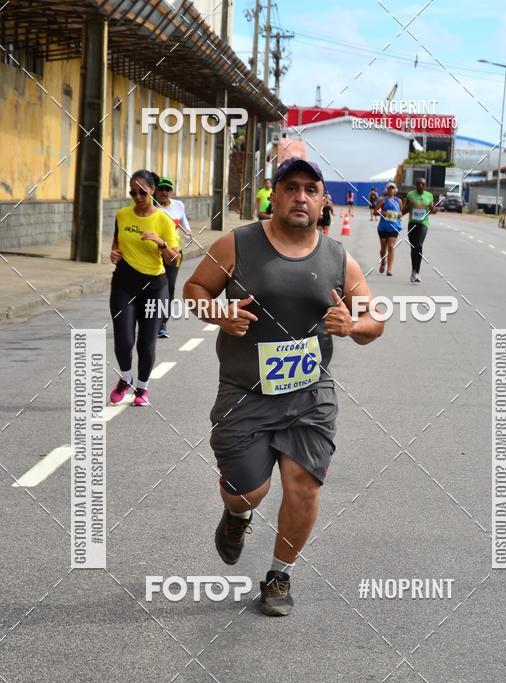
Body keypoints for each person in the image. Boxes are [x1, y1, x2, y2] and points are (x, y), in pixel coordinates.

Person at [183, 157, 383, 616]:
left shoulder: (339, 259)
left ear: (322, 200)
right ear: (273, 194)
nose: (300, 197)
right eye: (290, 188)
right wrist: (219, 313)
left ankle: (278, 576)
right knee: (247, 491)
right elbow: (195, 289)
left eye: (310, 189)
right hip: (244, 392)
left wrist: (352, 325)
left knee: (303, 486)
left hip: (309, 395)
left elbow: (374, 320)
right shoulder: (238, 244)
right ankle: (237, 516)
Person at [108, 170, 179, 407]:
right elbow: (117, 242)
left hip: (155, 287)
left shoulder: (163, 221)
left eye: (142, 191)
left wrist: (161, 242)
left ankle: (142, 389)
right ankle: (125, 379)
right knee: (124, 340)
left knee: (146, 341)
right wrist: (114, 253)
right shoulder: (122, 215)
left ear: (152, 190)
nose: (137, 196)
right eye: (132, 192)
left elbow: (174, 260)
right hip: (124, 284)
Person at [155, 176, 192, 338]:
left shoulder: (178, 206)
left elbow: (185, 226)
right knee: (151, 288)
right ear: (155, 191)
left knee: (168, 288)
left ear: (171, 192)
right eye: (161, 189)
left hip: (173, 254)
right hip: (153, 254)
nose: (164, 192)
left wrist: (188, 234)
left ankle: (162, 324)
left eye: (167, 189)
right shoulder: (151, 206)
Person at [403, 176, 435, 283]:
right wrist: (401, 213)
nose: (420, 186)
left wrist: (433, 209)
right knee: (413, 248)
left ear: (425, 186)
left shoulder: (429, 196)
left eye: (423, 184)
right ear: (415, 185)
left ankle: (417, 272)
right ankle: (413, 270)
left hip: (423, 223)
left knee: (419, 245)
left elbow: (432, 208)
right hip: (412, 223)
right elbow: (405, 209)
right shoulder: (410, 195)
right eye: (418, 184)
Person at [375, 182, 402, 276]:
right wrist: (384, 212)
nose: (391, 190)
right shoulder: (382, 200)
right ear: (387, 190)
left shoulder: (398, 201)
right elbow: (375, 212)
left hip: (394, 227)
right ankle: (383, 262)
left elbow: (401, 213)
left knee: (391, 246)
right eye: (389, 188)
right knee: (383, 249)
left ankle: (389, 269)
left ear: (395, 190)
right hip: (383, 227)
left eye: (393, 188)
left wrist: (398, 214)